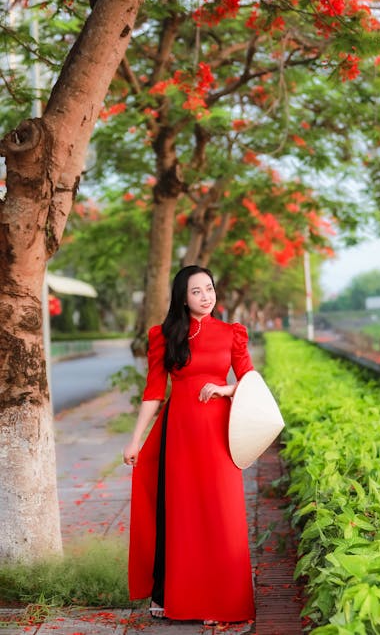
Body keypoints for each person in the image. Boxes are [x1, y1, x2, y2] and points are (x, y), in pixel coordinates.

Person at [123, 265, 255, 624]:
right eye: (196, 291)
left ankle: (222, 601)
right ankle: (174, 596)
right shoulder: (164, 336)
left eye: (209, 289)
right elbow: (153, 392)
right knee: (180, 515)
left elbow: (250, 381)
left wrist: (225, 388)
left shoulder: (232, 334)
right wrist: (135, 440)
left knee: (220, 512)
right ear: (183, 297)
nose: (205, 296)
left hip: (218, 434)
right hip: (178, 433)